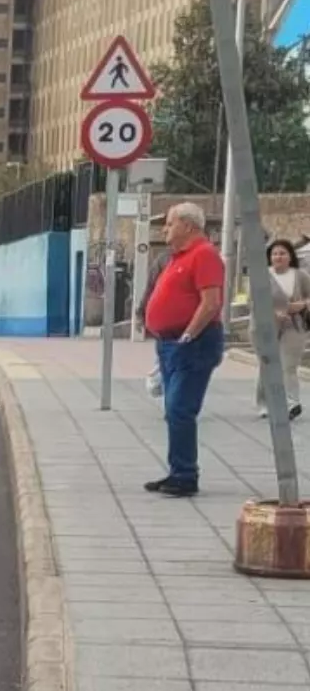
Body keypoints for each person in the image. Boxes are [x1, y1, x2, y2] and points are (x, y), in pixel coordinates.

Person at [142, 202, 227, 497]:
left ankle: (185, 475)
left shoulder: (203, 255)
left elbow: (211, 302)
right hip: (170, 343)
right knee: (172, 409)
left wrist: (188, 336)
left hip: (193, 343)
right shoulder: (178, 257)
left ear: (187, 226)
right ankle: (178, 470)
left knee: (179, 408)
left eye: (169, 223)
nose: (165, 229)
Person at [259, 239, 309, 421]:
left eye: (282, 253)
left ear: (290, 256)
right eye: (275, 254)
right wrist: (273, 313)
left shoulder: (300, 276)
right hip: (265, 326)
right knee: (268, 364)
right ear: (269, 257)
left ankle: (292, 403)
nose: (278, 257)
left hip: (294, 326)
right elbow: (254, 302)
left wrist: (302, 304)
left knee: (289, 365)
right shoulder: (262, 276)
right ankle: (265, 403)